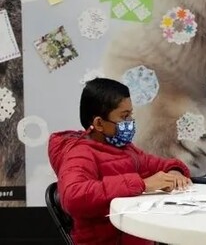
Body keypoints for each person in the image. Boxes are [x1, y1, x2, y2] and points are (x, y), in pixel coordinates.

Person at [48, 78, 192, 245]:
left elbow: (159, 165)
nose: (130, 122)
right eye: (124, 117)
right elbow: (73, 197)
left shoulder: (126, 149)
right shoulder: (79, 154)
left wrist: (174, 172)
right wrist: (142, 184)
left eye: (130, 114)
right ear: (99, 123)